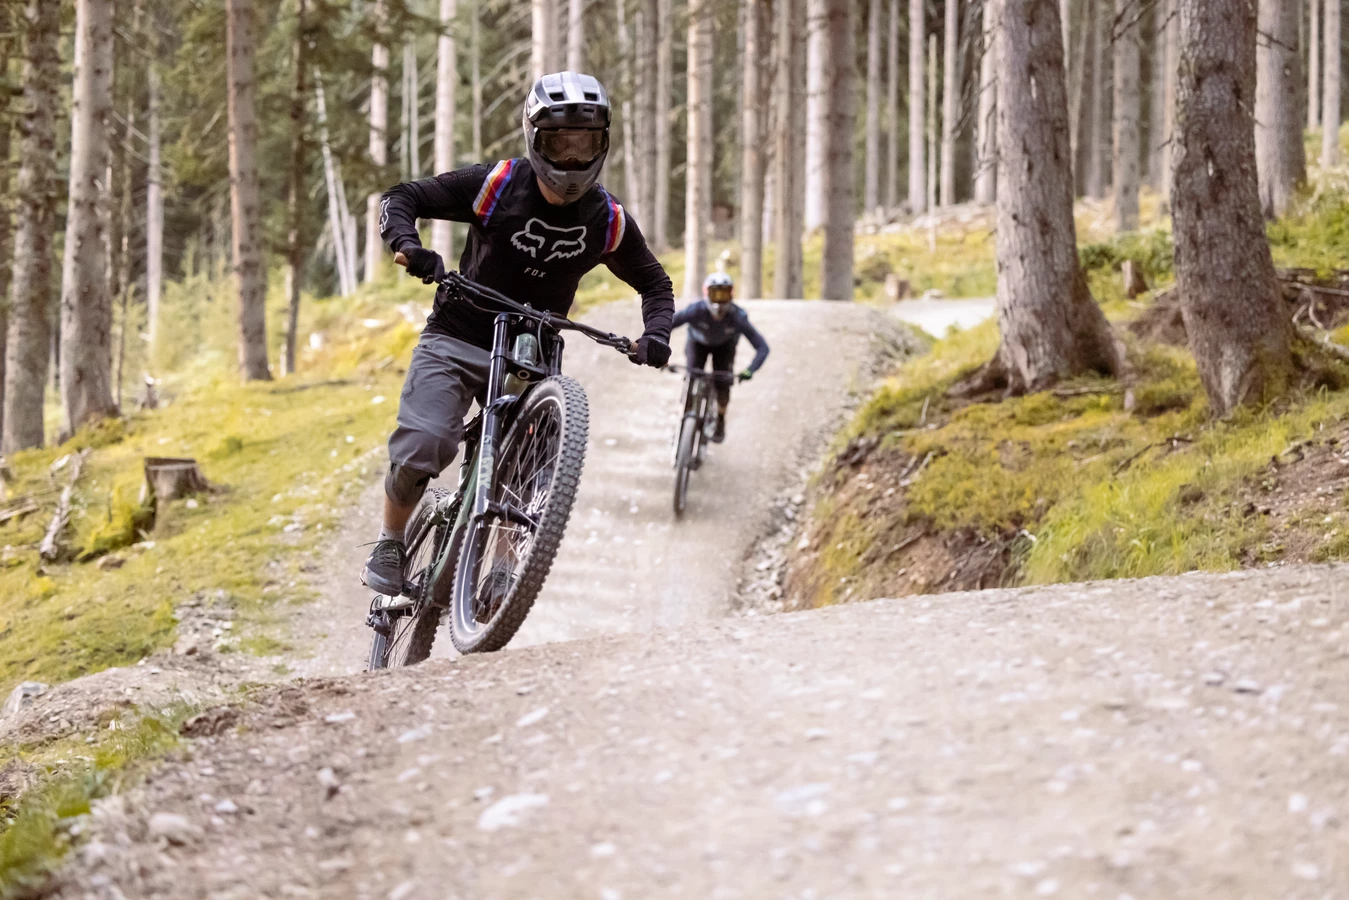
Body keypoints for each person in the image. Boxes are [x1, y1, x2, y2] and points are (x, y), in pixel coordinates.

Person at [362, 70, 674, 595]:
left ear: (604, 142)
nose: (572, 159)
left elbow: (655, 285)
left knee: (526, 466)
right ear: (535, 137)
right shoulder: (498, 185)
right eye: (560, 142)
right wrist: (408, 245)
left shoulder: (608, 220)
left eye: (585, 144)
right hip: (457, 334)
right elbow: (403, 196)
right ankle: (391, 540)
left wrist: (657, 333)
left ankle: (506, 569)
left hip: (533, 357)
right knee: (426, 443)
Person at [670, 272, 769, 443]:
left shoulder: (738, 317)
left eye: (723, 294)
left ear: (731, 294)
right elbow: (667, 326)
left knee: (723, 385)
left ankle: (720, 418)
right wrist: (657, 350)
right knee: (692, 376)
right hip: (697, 343)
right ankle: (684, 417)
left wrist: (749, 371)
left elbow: (762, 347)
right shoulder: (695, 310)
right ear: (705, 293)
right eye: (715, 293)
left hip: (725, 347)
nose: (718, 301)